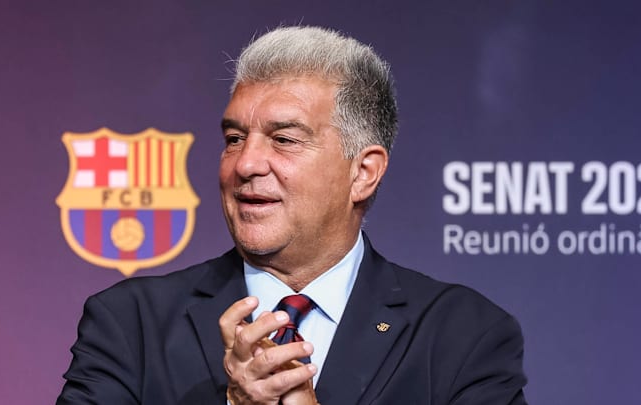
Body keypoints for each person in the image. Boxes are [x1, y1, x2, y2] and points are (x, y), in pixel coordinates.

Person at [58, 26, 527, 405]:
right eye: (234, 139)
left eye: (284, 139)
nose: (245, 164)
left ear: (363, 173)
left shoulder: (462, 335)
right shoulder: (130, 324)